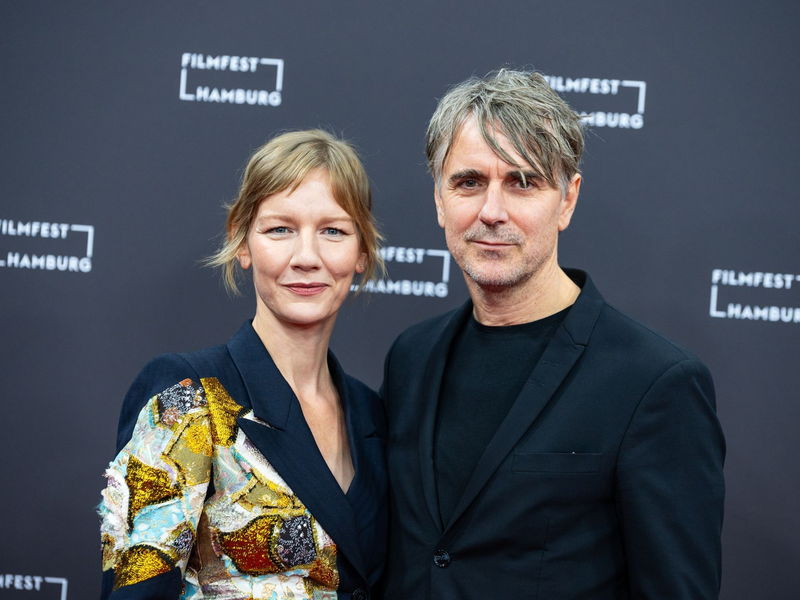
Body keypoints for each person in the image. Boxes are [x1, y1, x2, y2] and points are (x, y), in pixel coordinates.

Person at [380, 69, 725, 599]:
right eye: (469, 181)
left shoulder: (654, 383)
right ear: (439, 200)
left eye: (523, 182)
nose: (492, 212)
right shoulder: (411, 358)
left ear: (567, 200)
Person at [98, 130, 387, 600]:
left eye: (333, 230)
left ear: (361, 252)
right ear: (242, 242)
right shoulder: (189, 395)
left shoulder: (373, 413)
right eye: (280, 230)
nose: (307, 257)